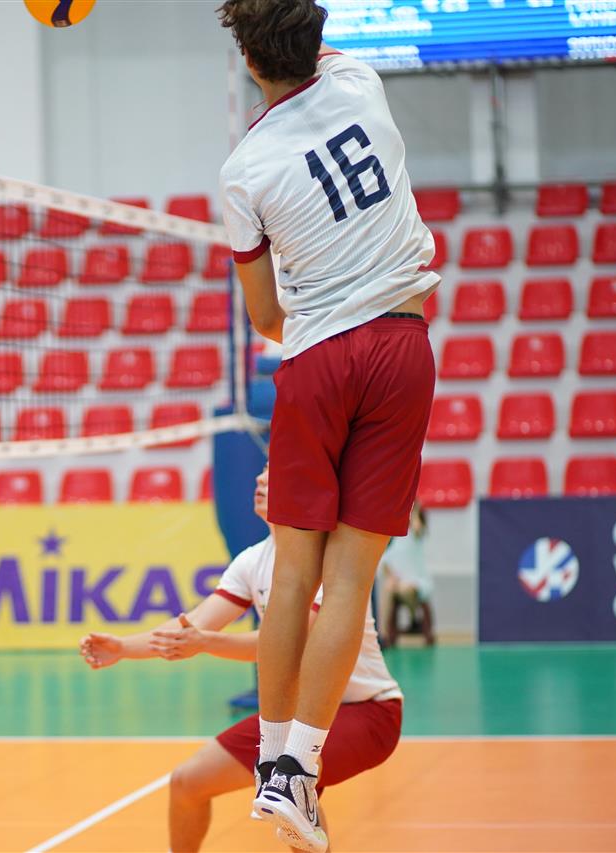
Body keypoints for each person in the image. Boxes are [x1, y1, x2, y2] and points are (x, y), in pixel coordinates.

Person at [216, 2, 438, 849]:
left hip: (313, 359)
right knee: (350, 579)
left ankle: (271, 763)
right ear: (316, 40)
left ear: (248, 59)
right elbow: (309, 44)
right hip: (400, 346)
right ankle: (298, 773)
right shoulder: (359, 80)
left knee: (292, 569)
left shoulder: (244, 169)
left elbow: (265, 315)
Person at [79, 466, 402, 852]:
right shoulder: (253, 560)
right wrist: (123, 648)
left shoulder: (329, 558)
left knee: (290, 787)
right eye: (260, 475)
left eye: (272, 476)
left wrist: (205, 642)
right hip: (293, 716)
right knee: (187, 783)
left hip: (367, 711)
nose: (259, 481)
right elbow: (193, 625)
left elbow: (288, 646)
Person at [377, 503, 433, 647]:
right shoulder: (393, 539)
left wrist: (413, 506)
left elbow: (417, 525)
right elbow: (385, 562)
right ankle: (383, 634)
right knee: (388, 586)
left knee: (404, 588)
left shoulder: (415, 534)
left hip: (417, 582)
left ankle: (414, 619)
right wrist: (391, 575)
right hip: (398, 582)